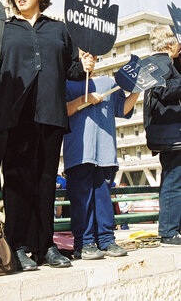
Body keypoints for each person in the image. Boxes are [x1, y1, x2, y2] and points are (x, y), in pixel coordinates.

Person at [0, 0, 95, 271]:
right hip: (15, 115)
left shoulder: (59, 30)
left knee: (46, 183)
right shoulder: (4, 29)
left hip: (51, 115)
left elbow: (72, 71)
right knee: (17, 181)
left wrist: (86, 65)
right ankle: (18, 245)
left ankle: (46, 246)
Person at [64, 71, 139, 260]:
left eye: (93, 54)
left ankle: (107, 239)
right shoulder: (65, 83)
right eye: (84, 53)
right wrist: (84, 99)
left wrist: (138, 89)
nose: (89, 57)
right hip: (79, 153)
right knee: (81, 200)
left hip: (106, 153)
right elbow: (60, 111)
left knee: (104, 199)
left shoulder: (108, 83)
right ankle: (84, 242)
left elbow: (122, 109)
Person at [143, 26, 181, 246]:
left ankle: (172, 228)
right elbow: (164, 91)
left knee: (173, 178)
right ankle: (168, 230)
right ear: (169, 45)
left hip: (164, 131)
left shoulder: (153, 63)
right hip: (170, 132)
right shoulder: (162, 63)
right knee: (173, 180)